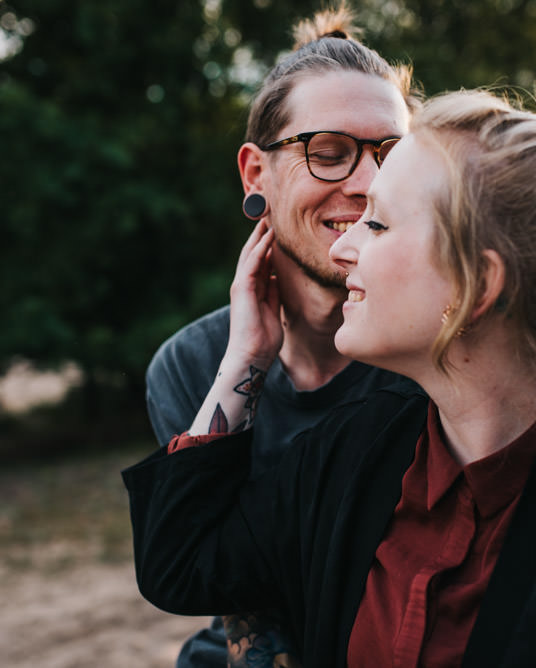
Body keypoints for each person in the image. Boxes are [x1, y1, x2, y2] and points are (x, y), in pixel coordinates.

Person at [125, 86, 536, 666]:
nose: (344, 245)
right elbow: (183, 567)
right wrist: (245, 358)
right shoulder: (349, 452)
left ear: (476, 286)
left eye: (380, 223)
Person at [141, 6, 419, 667]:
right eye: (328, 155)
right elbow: (222, 586)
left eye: (393, 156)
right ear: (254, 175)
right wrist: (246, 361)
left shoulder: (433, 350)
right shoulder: (192, 365)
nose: (369, 184)